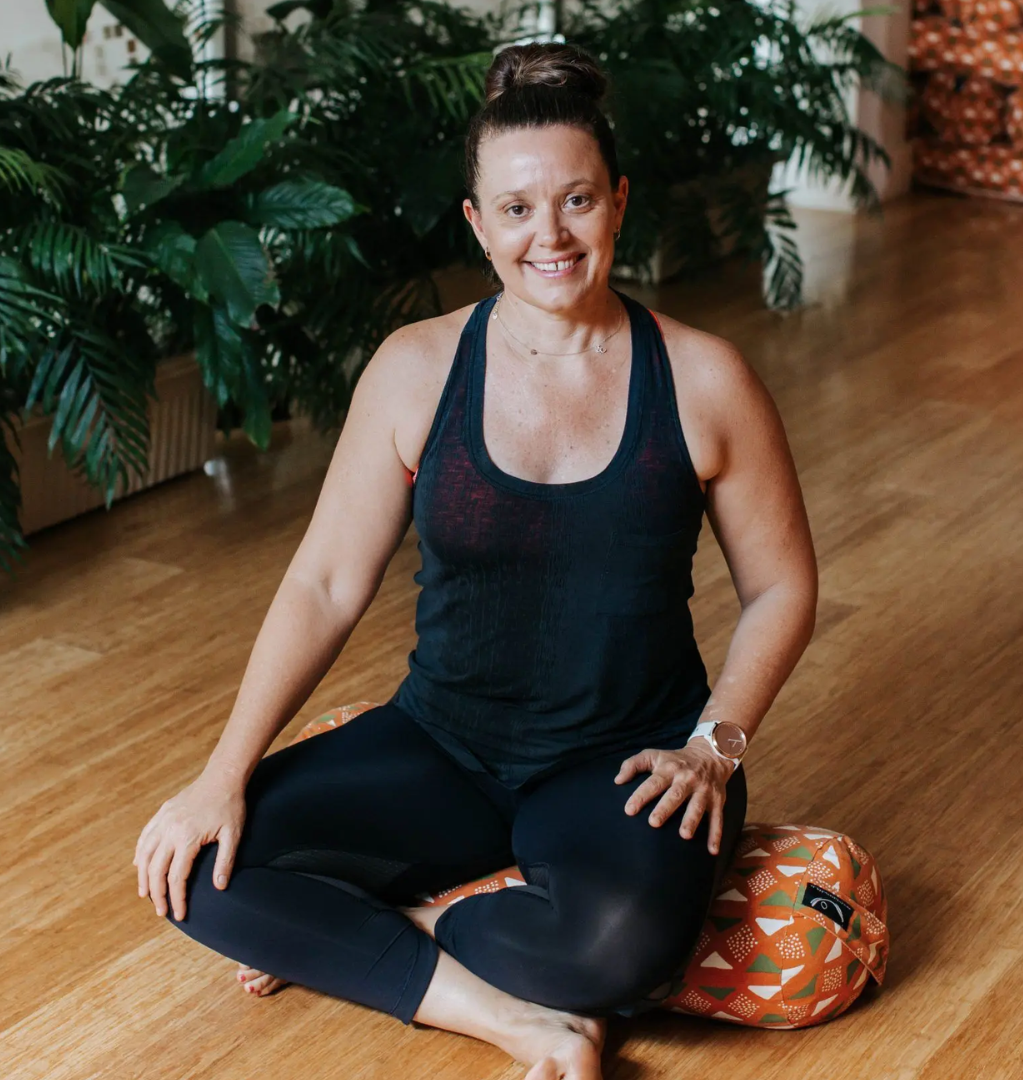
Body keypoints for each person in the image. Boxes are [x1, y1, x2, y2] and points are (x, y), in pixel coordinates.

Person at [132, 42, 817, 1080]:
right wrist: (219, 777)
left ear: (619, 202)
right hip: (442, 742)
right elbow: (324, 582)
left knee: (621, 948)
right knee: (198, 874)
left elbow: (782, 587)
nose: (550, 235)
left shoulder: (703, 378)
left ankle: (399, 922)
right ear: (477, 223)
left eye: (578, 200)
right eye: (516, 209)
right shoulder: (414, 372)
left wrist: (714, 744)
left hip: (625, 761)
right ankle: (516, 1021)